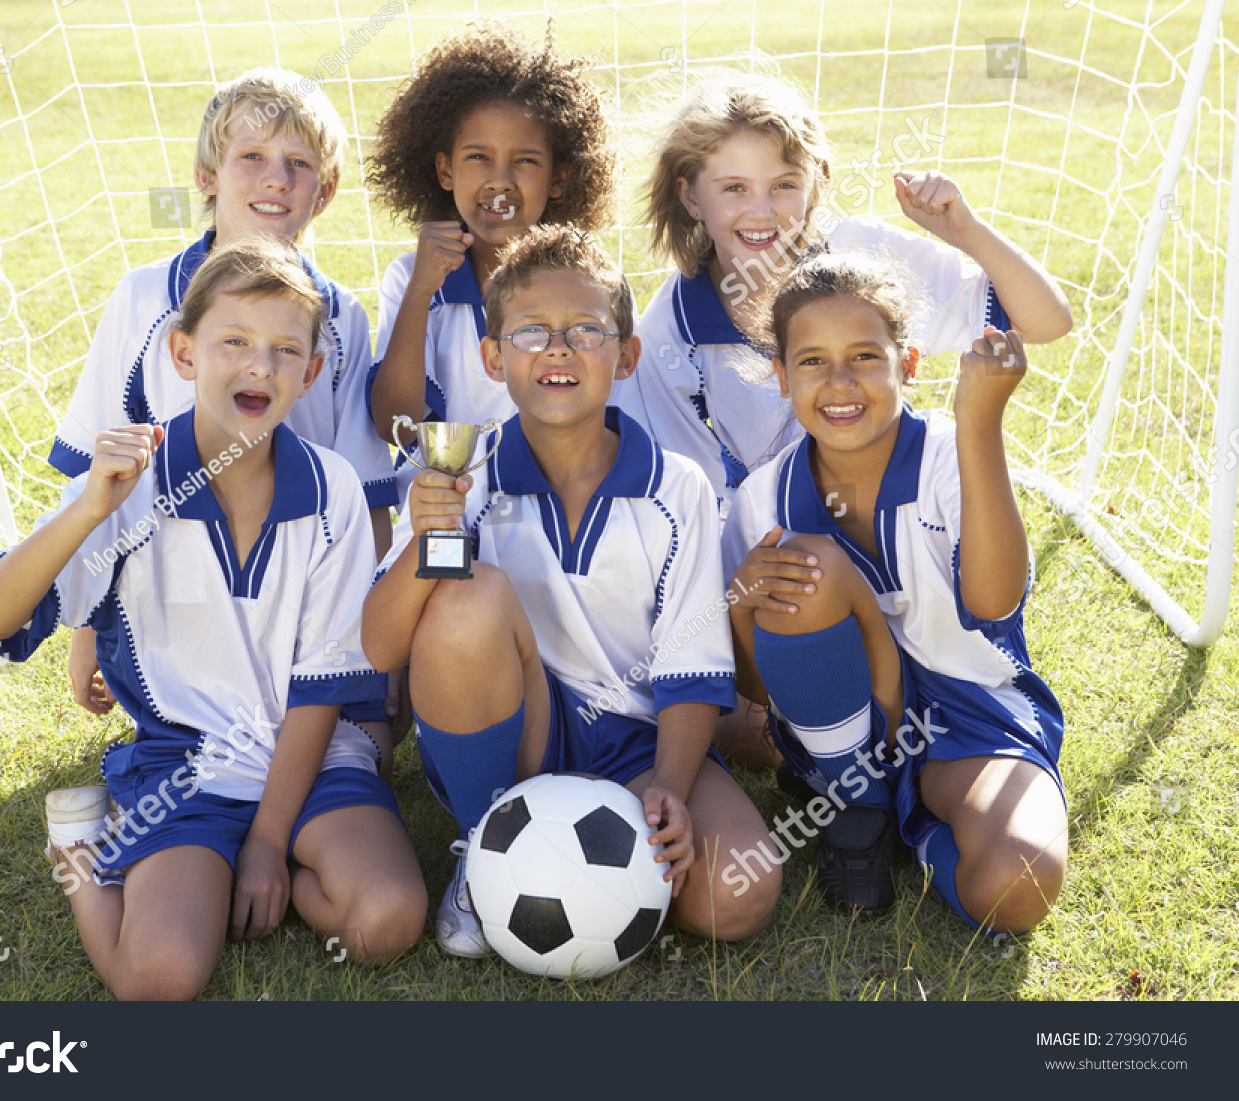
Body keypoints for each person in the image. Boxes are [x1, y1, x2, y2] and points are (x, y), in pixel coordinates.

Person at [0, 238, 426, 999]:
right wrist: (88, 506)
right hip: (187, 765)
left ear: (312, 373)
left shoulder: (335, 491)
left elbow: (319, 690)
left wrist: (267, 844)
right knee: (159, 978)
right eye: (235, 342)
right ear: (183, 352)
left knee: (387, 918)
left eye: (287, 350)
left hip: (312, 757)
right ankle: (83, 856)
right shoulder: (127, 482)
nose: (261, 366)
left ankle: (267, 861)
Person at [629, 71, 1072, 769]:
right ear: (689, 194)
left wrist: (967, 231)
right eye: (733, 188)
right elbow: (696, 526)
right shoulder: (668, 337)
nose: (762, 209)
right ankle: (848, 770)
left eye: (783, 183)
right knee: (729, 724)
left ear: (816, 183)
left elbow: (1047, 320)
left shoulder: (861, 257)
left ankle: (907, 733)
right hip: (802, 588)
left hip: (911, 559)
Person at [363, 226, 780, 958]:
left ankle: (612, 863)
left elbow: (690, 668)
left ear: (625, 356)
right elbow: (380, 645)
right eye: (531, 332)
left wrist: (673, 788)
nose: (558, 349)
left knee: (739, 894)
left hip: (640, 741)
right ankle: (485, 843)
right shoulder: (464, 475)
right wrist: (430, 540)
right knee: (468, 596)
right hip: (519, 727)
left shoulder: (676, 488)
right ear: (494, 358)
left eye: (587, 330)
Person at [49, 69, 399, 773]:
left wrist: (362, 644)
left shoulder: (343, 317)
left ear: (323, 192)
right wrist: (84, 628)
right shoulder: (146, 297)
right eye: (252, 158)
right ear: (209, 175)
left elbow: (367, 495)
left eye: (300, 164)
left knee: (346, 778)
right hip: (172, 609)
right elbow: (98, 470)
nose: (276, 179)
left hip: (301, 601)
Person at [723, 254, 1066, 929]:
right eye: (813, 361)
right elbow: (757, 689)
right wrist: (741, 602)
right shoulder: (762, 498)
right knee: (805, 566)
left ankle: (914, 831)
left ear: (907, 364)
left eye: (864, 356)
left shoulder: (946, 451)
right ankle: (861, 804)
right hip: (847, 724)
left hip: (969, 713)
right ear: (781, 374)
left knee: (1019, 882)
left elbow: (995, 603)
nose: (841, 381)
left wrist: (981, 425)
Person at [364, 19, 618, 454]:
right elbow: (396, 427)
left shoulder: (592, 282)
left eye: (525, 161)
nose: (500, 180)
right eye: (479, 157)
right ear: (445, 170)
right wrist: (421, 290)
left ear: (558, 178)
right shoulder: (410, 278)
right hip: (444, 504)